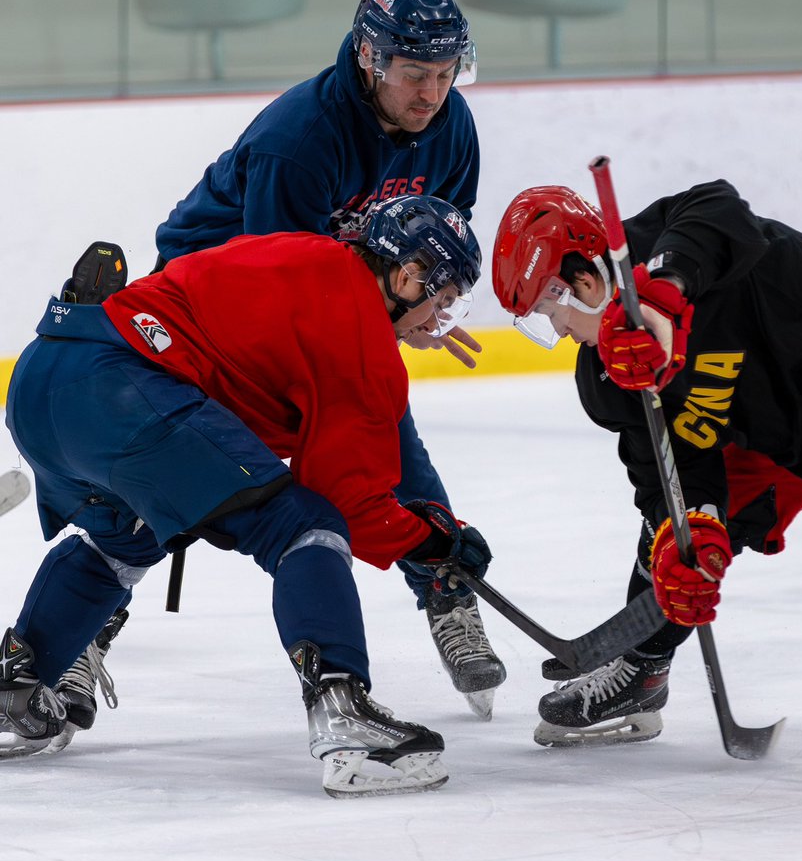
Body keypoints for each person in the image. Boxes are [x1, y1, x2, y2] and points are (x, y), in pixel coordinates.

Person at [55, 0, 505, 731]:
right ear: (370, 59)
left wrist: (415, 302)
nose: (433, 92)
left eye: (446, 72)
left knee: (377, 426)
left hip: (329, 292)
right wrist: (378, 330)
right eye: (414, 74)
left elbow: (434, 235)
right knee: (187, 469)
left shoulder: (452, 127)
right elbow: (280, 277)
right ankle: (79, 637)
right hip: (211, 298)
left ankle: (446, 595)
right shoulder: (299, 140)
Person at [0, 196, 493, 798]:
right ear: (408, 275)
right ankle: (344, 713)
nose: (439, 320)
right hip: (126, 392)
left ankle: (14, 692)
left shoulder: (300, 249)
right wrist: (433, 541)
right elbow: (347, 503)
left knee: (122, 541)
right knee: (304, 526)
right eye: (441, 299)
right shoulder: (362, 333)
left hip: (44, 376)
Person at [491, 178, 802, 802]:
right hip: (780, 437)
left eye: (552, 310)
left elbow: (718, 205)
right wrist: (694, 525)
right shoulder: (606, 376)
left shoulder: (673, 240)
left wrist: (662, 300)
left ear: (581, 278)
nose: (559, 329)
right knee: (675, 538)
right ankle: (642, 667)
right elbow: (668, 470)